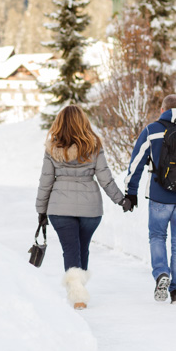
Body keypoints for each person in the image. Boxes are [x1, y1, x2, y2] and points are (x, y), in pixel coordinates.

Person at [36, 105, 132, 309]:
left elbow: (45, 181)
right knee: (82, 247)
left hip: (60, 209)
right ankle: (78, 291)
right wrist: (121, 199)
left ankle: (77, 293)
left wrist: (41, 210)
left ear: (59, 123)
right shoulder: (94, 145)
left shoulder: (52, 147)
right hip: (90, 209)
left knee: (71, 249)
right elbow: (105, 178)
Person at [124, 94, 176, 305]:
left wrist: (131, 192)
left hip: (160, 197)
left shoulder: (152, 130)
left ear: (163, 109)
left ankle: (161, 273)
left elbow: (136, 162)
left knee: (157, 236)